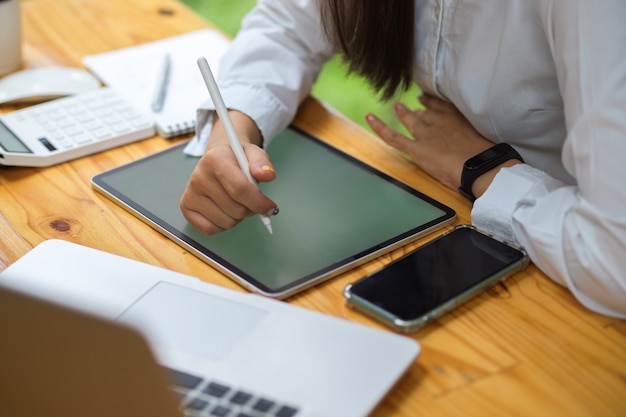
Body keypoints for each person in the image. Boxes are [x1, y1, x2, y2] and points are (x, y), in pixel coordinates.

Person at [180, 0, 626, 318]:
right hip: (475, 222)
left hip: (571, 274)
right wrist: (233, 133)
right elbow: (289, 25)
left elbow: (614, 261)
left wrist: (485, 171)